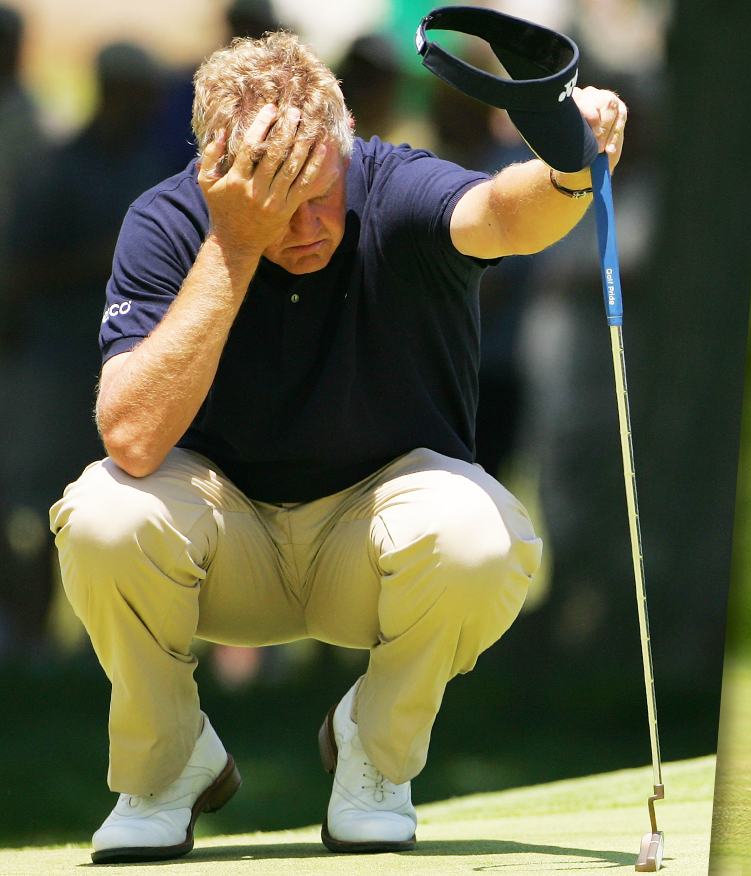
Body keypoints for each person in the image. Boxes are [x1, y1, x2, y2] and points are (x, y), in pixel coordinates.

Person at [48, 31, 626, 863]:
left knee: (481, 537)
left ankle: (375, 754)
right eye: (277, 201)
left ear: (345, 146)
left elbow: (501, 213)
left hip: (373, 545)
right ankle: (167, 767)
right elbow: (132, 438)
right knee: (103, 513)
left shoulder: (394, 182)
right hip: (223, 546)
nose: (310, 224)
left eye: (322, 192)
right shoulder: (168, 222)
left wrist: (572, 170)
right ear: (219, 173)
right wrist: (236, 245)